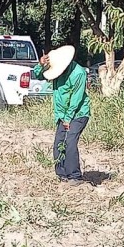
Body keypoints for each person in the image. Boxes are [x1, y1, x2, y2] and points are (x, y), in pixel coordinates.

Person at [32, 45, 91, 185]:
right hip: (62, 113)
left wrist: (68, 118)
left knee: (70, 141)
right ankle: (62, 174)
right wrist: (40, 65)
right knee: (59, 143)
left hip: (78, 113)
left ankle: (75, 176)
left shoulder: (78, 73)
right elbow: (38, 75)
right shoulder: (55, 69)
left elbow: (76, 98)